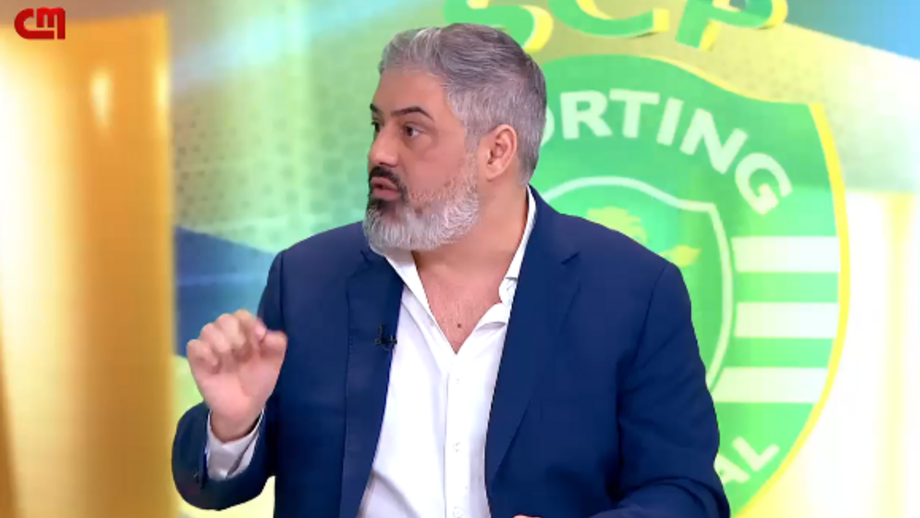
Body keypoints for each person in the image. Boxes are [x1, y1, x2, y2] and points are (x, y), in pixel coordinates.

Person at [172, 23, 730, 518]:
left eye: (411, 131)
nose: (379, 153)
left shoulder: (633, 292)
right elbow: (213, 489)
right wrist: (233, 426)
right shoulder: (310, 279)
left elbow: (686, 492)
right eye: (377, 125)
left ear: (496, 152)